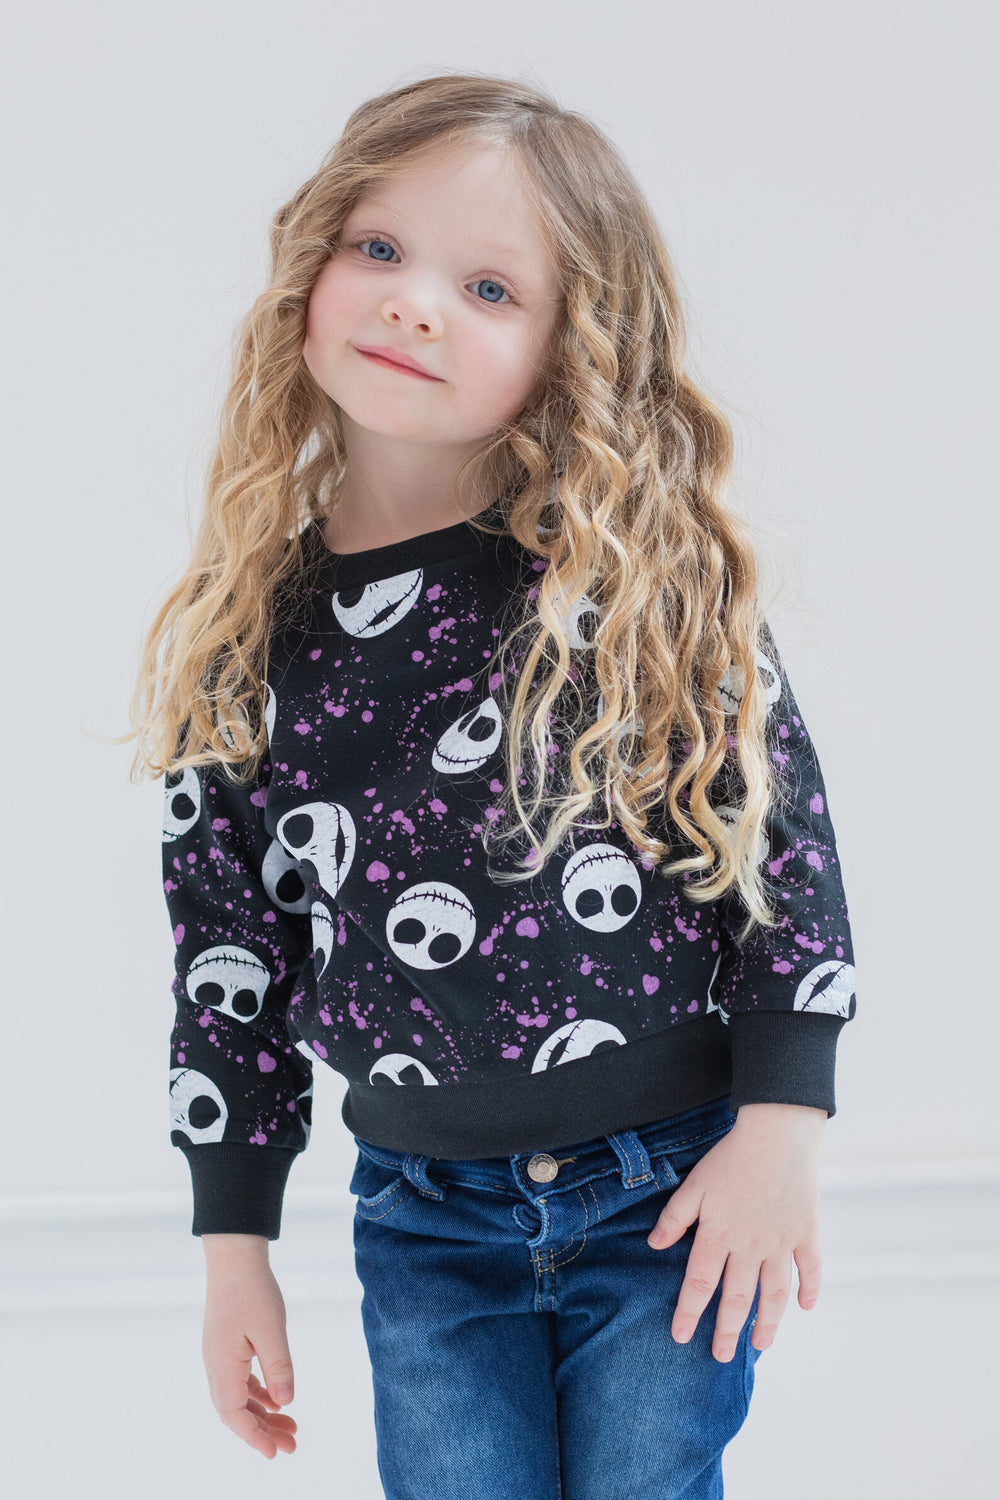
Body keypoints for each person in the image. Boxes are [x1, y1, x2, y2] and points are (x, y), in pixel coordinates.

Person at [127, 70, 857, 1500]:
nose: (415, 306)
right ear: (312, 264)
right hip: (423, 1218)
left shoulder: (636, 584)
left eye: (488, 288)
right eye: (380, 250)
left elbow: (783, 849)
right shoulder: (246, 635)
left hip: (670, 1188)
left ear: (570, 348)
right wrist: (234, 1249)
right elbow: (226, 956)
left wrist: (784, 1129)